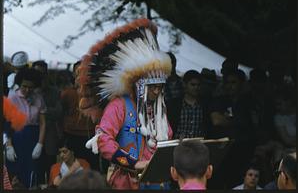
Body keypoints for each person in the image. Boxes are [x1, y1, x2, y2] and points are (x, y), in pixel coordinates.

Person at [78, 18, 173, 189]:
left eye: (160, 87)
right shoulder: (119, 106)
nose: (157, 92)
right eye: (152, 87)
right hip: (126, 181)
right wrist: (132, 163)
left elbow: (167, 137)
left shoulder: (158, 109)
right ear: (139, 85)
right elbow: (104, 139)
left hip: (157, 182)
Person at [5, 68, 46, 188]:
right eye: (24, 86)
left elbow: (43, 123)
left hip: (34, 136)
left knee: (33, 170)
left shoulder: (39, 98)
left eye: (31, 87)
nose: (27, 90)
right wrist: (9, 145)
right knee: (16, 171)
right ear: (19, 84)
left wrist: (40, 144)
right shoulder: (12, 98)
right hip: (16, 137)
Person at [32, 60, 63, 180]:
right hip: (33, 134)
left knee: (51, 168)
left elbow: (58, 112)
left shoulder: (53, 91)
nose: (39, 76)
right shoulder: (28, 90)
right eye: (36, 73)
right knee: (35, 169)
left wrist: (41, 111)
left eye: (42, 73)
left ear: (46, 74)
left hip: (50, 136)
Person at [167, 70, 210, 139]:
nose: (196, 88)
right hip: (178, 145)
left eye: (198, 85)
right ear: (184, 84)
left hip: (198, 145)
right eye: (193, 85)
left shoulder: (205, 105)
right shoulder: (174, 105)